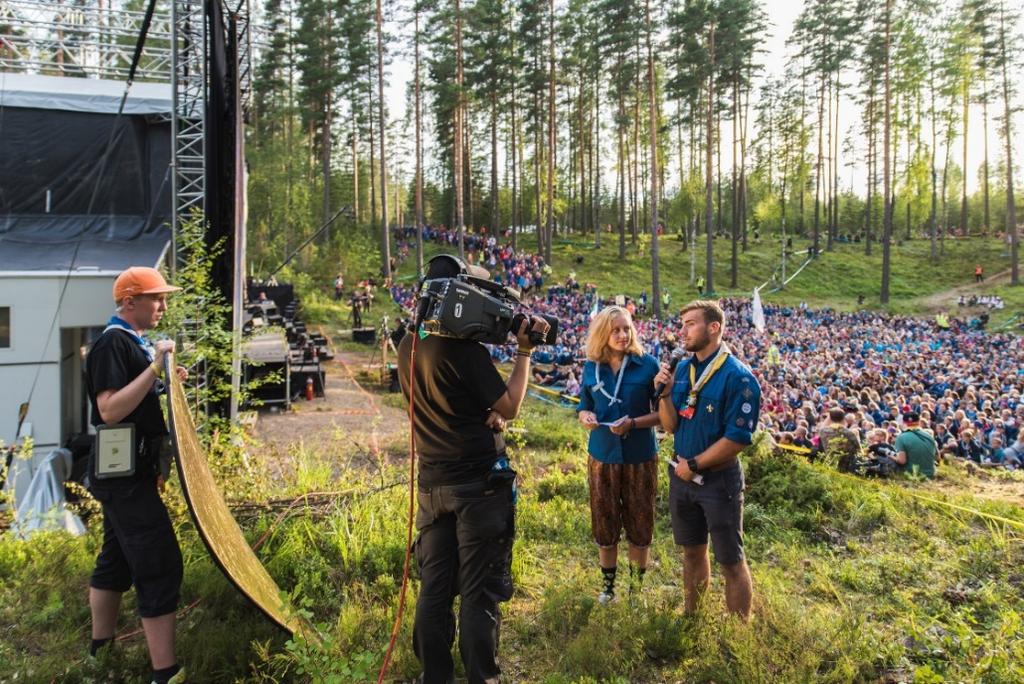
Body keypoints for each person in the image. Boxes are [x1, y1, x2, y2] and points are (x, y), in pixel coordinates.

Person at [397, 256, 551, 684]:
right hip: (478, 489)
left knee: (435, 590)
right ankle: (482, 677)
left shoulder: (409, 343)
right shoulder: (464, 352)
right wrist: (523, 351)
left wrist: (483, 410)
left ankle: (435, 676)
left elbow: (448, 401)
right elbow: (511, 406)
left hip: (432, 486)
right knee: (479, 592)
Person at [85, 267, 189, 684]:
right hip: (122, 474)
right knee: (159, 561)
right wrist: (154, 371)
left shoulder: (132, 343)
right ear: (130, 302)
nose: (163, 306)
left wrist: (162, 382)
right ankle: (165, 672)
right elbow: (109, 409)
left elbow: (137, 397)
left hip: (129, 472)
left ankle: (100, 651)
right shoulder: (112, 343)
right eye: (156, 299)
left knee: (115, 560)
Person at [653, 300, 760, 620]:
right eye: (681, 323)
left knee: (731, 560)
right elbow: (671, 426)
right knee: (691, 552)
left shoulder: (738, 376)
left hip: (717, 480)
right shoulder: (682, 369)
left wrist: (696, 465)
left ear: (713, 328)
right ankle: (692, 618)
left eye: (690, 324)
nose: (681, 331)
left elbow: (737, 439)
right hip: (681, 475)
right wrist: (664, 393)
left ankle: (739, 635)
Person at [576, 306, 660, 604]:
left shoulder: (648, 365)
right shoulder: (590, 367)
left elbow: (663, 417)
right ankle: (608, 588)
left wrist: (634, 423)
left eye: (627, 328)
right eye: (616, 330)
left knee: (640, 523)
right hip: (602, 457)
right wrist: (585, 415)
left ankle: (636, 593)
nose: (623, 335)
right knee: (605, 522)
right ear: (602, 333)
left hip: (639, 457)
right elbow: (583, 406)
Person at [893, 411, 937, 478]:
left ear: (904, 423)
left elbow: (902, 461)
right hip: (930, 473)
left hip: (912, 474)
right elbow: (937, 457)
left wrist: (891, 456)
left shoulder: (901, 437)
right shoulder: (929, 435)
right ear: (919, 421)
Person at [817, 407, 862, 472]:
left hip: (829, 461)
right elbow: (859, 449)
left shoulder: (823, 431)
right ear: (843, 418)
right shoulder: (850, 433)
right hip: (846, 464)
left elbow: (823, 426)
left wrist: (830, 417)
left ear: (830, 418)